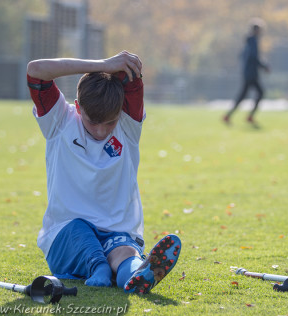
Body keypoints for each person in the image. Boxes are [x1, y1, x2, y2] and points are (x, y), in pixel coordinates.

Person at [26, 51, 181, 294]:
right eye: (92, 122)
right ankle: (98, 266)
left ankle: (136, 274)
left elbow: (131, 72)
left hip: (116, 231)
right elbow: (36, 70)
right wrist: (103, 65)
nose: (100, 131)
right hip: (65, 235)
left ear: (120, 111)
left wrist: (115, 69)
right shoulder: (58, 120)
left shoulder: (129, 124)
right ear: (77, 107)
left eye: (109, 122)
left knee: (125, 252)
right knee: (80, 230)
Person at [224, 20, 270, 126]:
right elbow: (254, 57)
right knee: (259, 93)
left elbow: (242, 56)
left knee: (244, 95)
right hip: (251, 74)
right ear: (256, 30)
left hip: (248, 73)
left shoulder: (248, 42)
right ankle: (249, 116)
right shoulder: (253, 41)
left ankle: (229, 115)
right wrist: (264, 66)